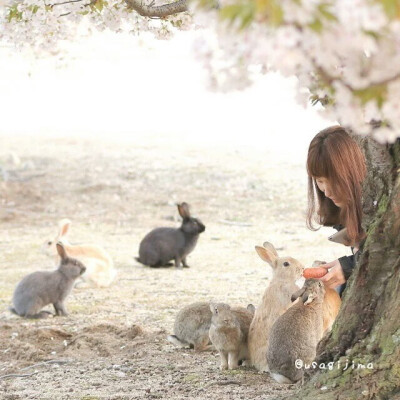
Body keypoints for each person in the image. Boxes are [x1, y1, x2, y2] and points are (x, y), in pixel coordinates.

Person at [306, 125, 366, 296]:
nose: (327, 191)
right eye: (320, 181)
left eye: (334, 181)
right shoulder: (340, 207)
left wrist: (350, 265)